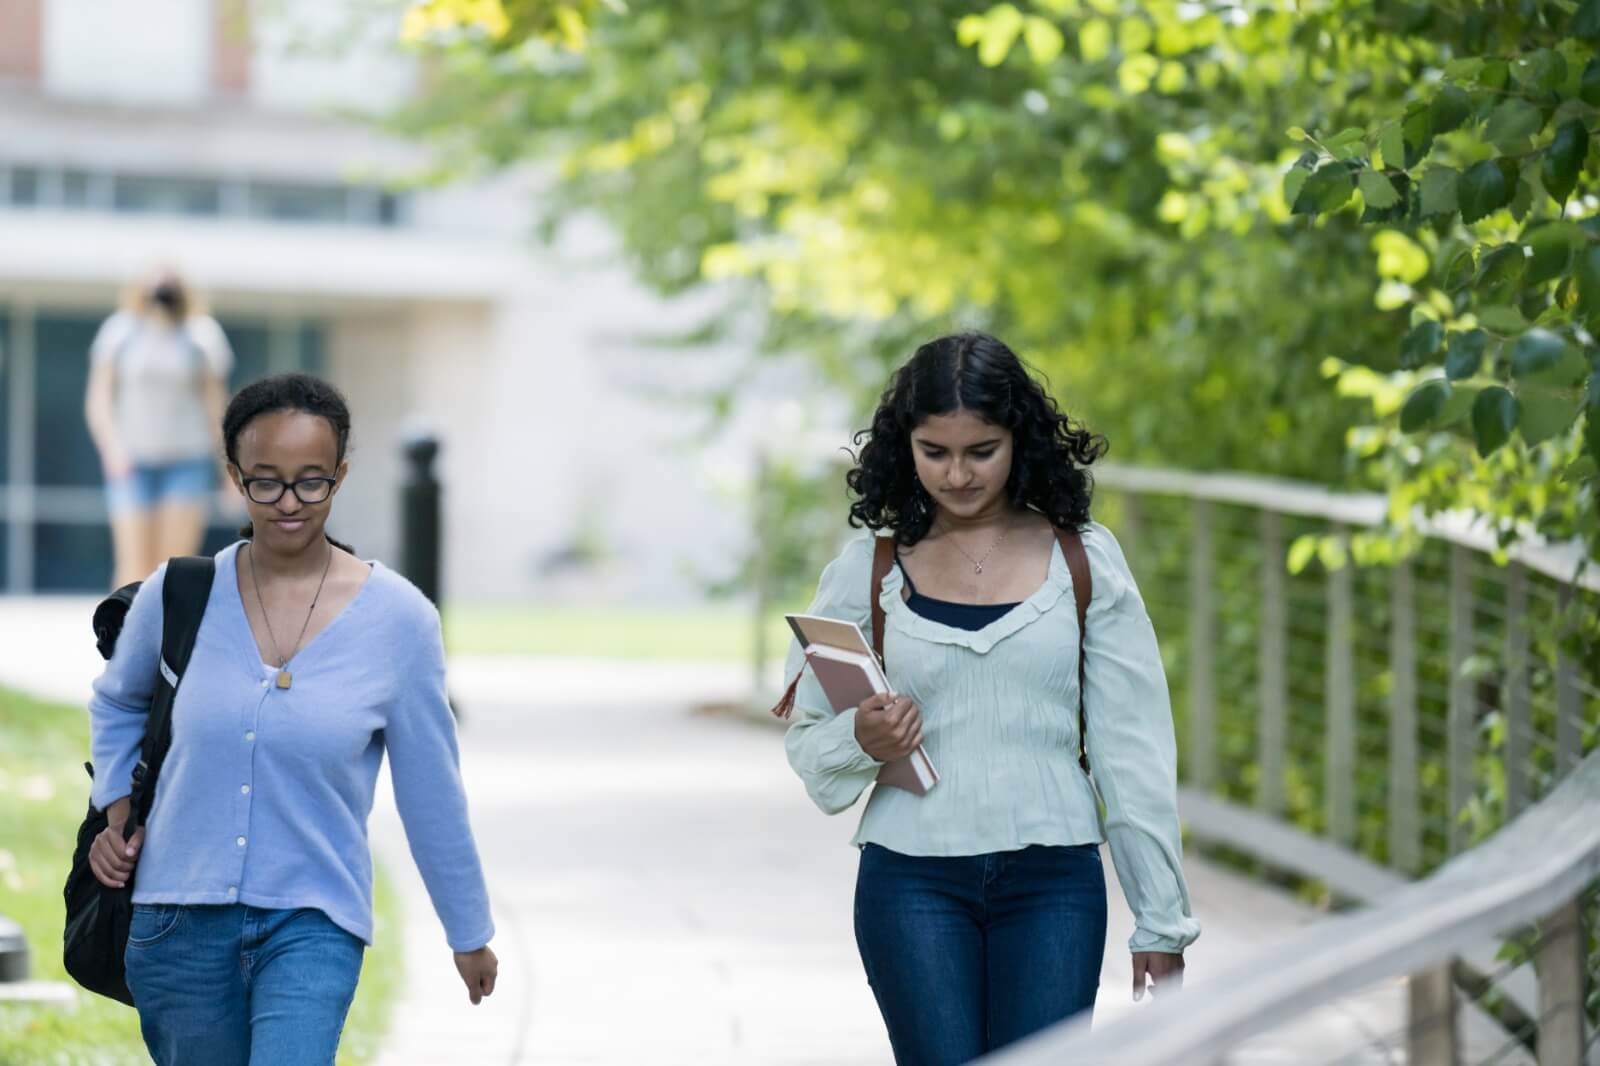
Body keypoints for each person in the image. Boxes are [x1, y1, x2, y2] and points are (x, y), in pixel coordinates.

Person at [781, 332, 1199, 1065]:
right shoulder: (866, 569)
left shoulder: (1085, 560)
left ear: (1021, 441)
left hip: (1056, 882)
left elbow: (1131, 752)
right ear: (902, 447)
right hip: (910, 881)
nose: (958, 474)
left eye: (982, 450)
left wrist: (1160, 923)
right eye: (934, 451)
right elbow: (810, 744)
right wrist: (862, 741)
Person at [85, 373, 498, 1065]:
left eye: (312, 481)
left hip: (314, 919)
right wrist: (117, 813)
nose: (289, 503)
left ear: (339, 477)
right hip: (176, 916)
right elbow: (118, 700)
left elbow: (432, 790)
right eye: (266, 482)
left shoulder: (399, 622)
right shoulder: (176, 594)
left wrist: (468, 930)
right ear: (234, 478)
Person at [84, 267, 235, 588]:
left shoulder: (201, 335)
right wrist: (112, 448)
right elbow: (99, 400)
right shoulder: (120, 332)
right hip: (132, 462)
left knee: (173, 568)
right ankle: (124, 637)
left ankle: (169, 638)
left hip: (186, 461)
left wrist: (229, 468)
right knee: (132, 569)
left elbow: (214, 408)